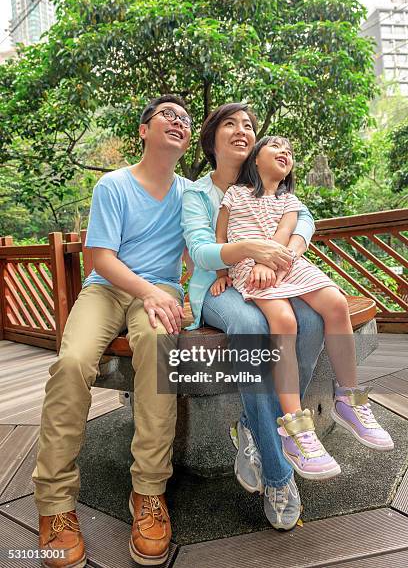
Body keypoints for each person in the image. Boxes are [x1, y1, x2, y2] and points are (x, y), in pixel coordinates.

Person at [33, 95, 194, 567]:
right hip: (107, 289)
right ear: (144, 130)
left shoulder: (191, 193)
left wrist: (198, 292)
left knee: (159, 349)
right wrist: (150, 292)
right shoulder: (114, 185)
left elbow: (197, 254)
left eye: (185, 120)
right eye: (167, 115)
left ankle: (148, 491)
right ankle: (55, 504)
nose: (178, 122)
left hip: (161, 294)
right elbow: (100, 258)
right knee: (71, 362)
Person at [211, 134, 394, 481]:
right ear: (255, 157)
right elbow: (220, 239)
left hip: (284, 263)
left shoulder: (290, 200)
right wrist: (222, 273)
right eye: (276, 146)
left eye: (290, 151)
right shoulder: (234, 194)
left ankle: (349, 398)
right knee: (284, 320)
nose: (285, 152)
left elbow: (285, 232)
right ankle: (295, 426)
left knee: (335, 303)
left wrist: (273, 260)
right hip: (251, 267)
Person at [181, 103, 325, 531]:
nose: (242, 131)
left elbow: (306, 221)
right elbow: (203, 250)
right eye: (230, 124)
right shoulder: (197, 193)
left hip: (269, 282)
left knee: (313, 320)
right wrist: (249, 251)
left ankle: (251, 423)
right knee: (252, 326)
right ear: (212, 140)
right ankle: (280, 476)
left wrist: (284, 255)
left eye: (249, 125)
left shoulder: (269, 186)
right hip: (218, 288)